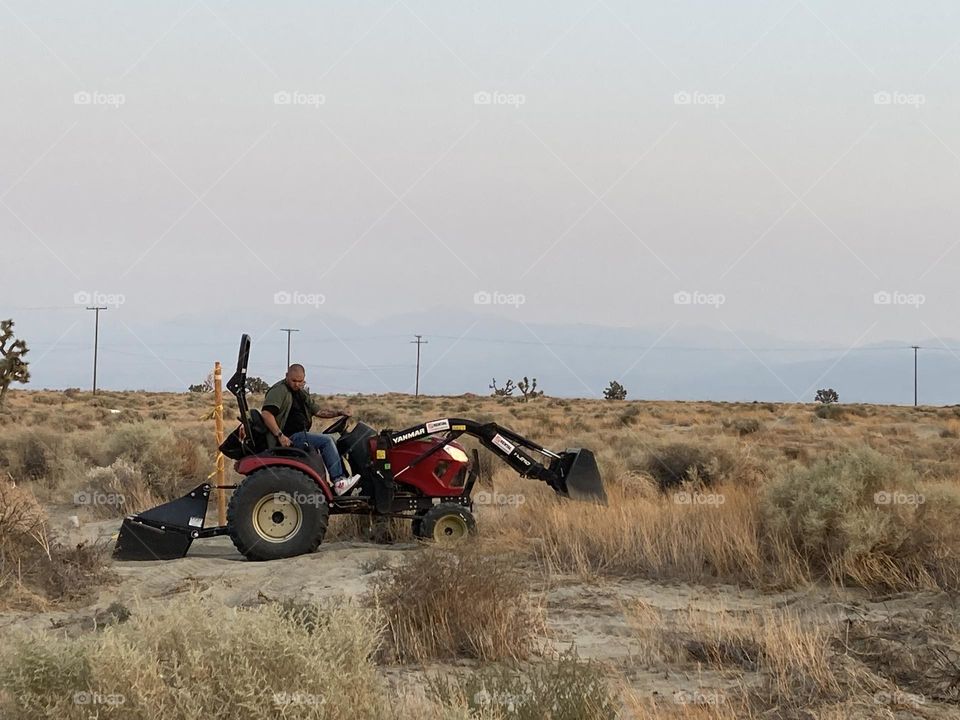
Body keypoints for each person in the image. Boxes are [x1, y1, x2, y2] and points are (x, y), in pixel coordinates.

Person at [260, 364, 361, 496]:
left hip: (302, 434)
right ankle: (339, 481)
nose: (297, 384)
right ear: (286, 376)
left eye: (300, 381)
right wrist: (280, 435)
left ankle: (349, 480)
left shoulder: (301, 393)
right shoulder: (279, 390)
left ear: (304, 379)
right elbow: (267, 414)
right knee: (326, 441)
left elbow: (318, 411)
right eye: (294, 381)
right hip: (291, 437)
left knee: (336, 439)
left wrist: (339, 412)